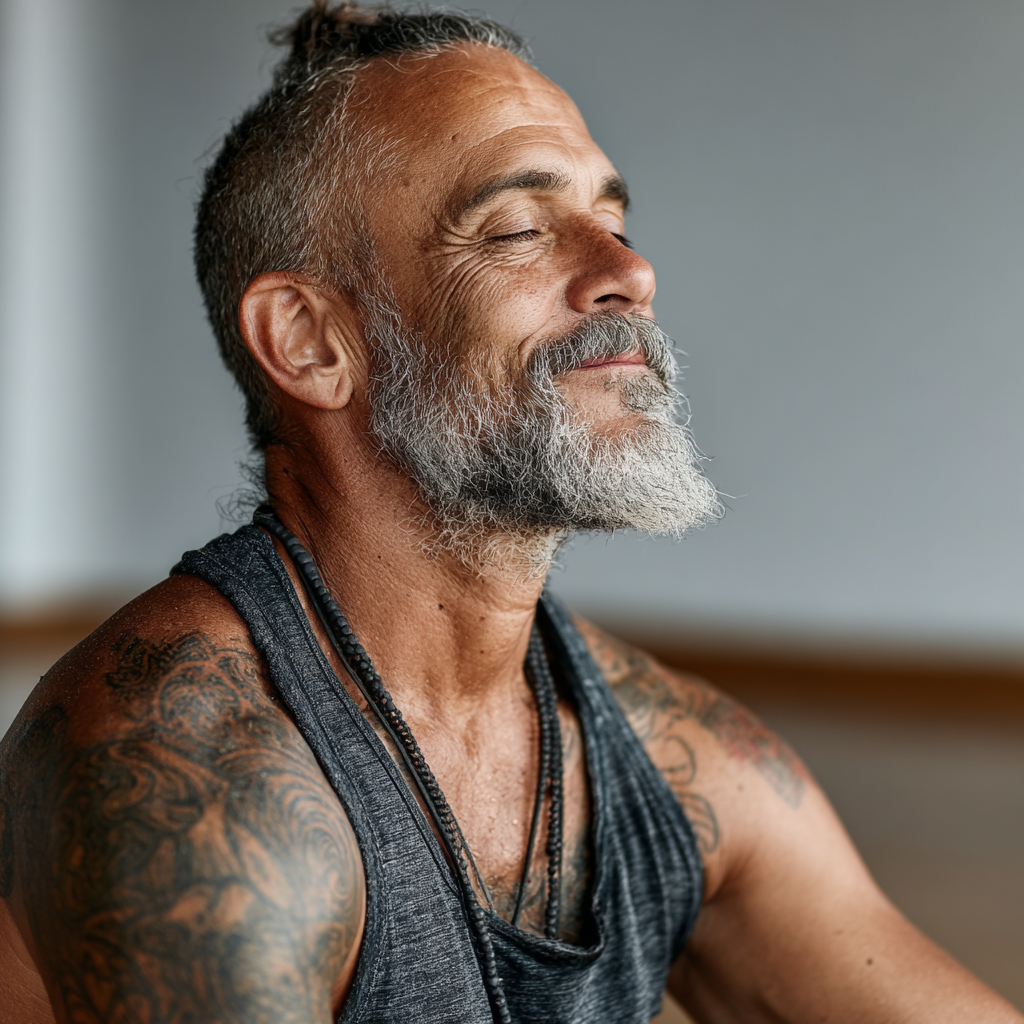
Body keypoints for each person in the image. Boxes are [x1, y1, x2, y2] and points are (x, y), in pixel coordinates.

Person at [0, 4, 1018, 1022]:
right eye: (520, 229)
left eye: (613, 223)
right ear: (310, 342)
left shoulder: (672, 756)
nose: (629, 272)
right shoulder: (185, 759)